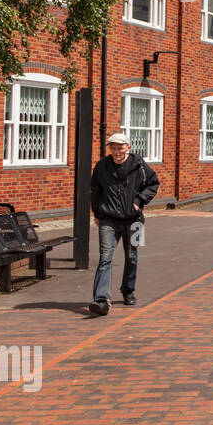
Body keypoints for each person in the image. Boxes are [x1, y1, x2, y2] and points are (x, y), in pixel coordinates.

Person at [87, 133, 159, 316]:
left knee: (132, 256)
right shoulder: (102, 166)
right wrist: (97, 212)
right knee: (105, 257)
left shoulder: (139, 165)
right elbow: (95, 190)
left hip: (135, 220)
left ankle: (128, 290)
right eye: (113, 147)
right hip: (108, 219)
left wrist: (139, 200)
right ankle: (101, 300)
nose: (116, 151)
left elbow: (153, 184)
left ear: (128, 147)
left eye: (120, 147)